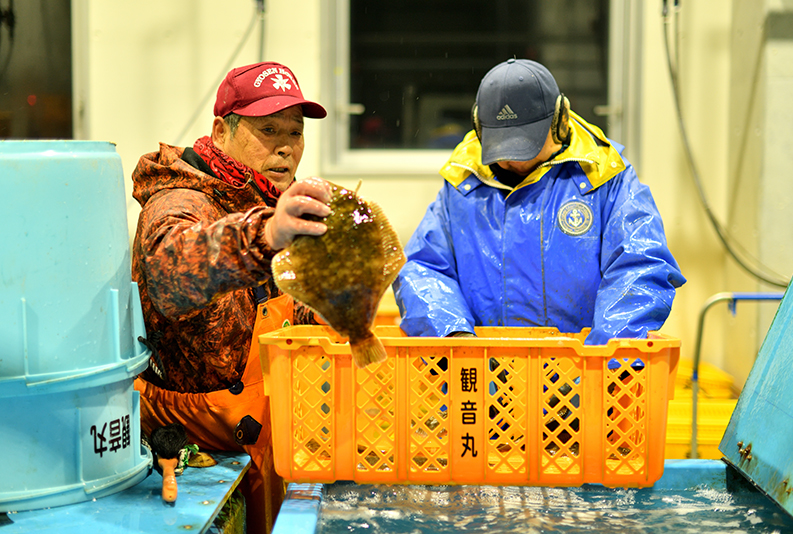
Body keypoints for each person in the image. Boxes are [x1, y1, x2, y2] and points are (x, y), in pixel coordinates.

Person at [131, 61, 331, 534]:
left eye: (295, 132)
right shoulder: (178, 200)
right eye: (268, 129)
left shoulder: (266, 200)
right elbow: (171, 271)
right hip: (201, 461)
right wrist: (266, 234)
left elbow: (286, 309)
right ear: (222, 131)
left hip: (269, 440)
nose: (286, 146)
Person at [393, 58, 686, 344]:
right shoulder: (462, 183)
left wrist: (602, 358)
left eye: (526, 143)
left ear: (560, 119)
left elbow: (640, 265)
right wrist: (454, 334)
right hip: (482, 380)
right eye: (502, 145)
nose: (514, 161)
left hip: (583, 379)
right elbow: (423, 267)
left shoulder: (606, 177)